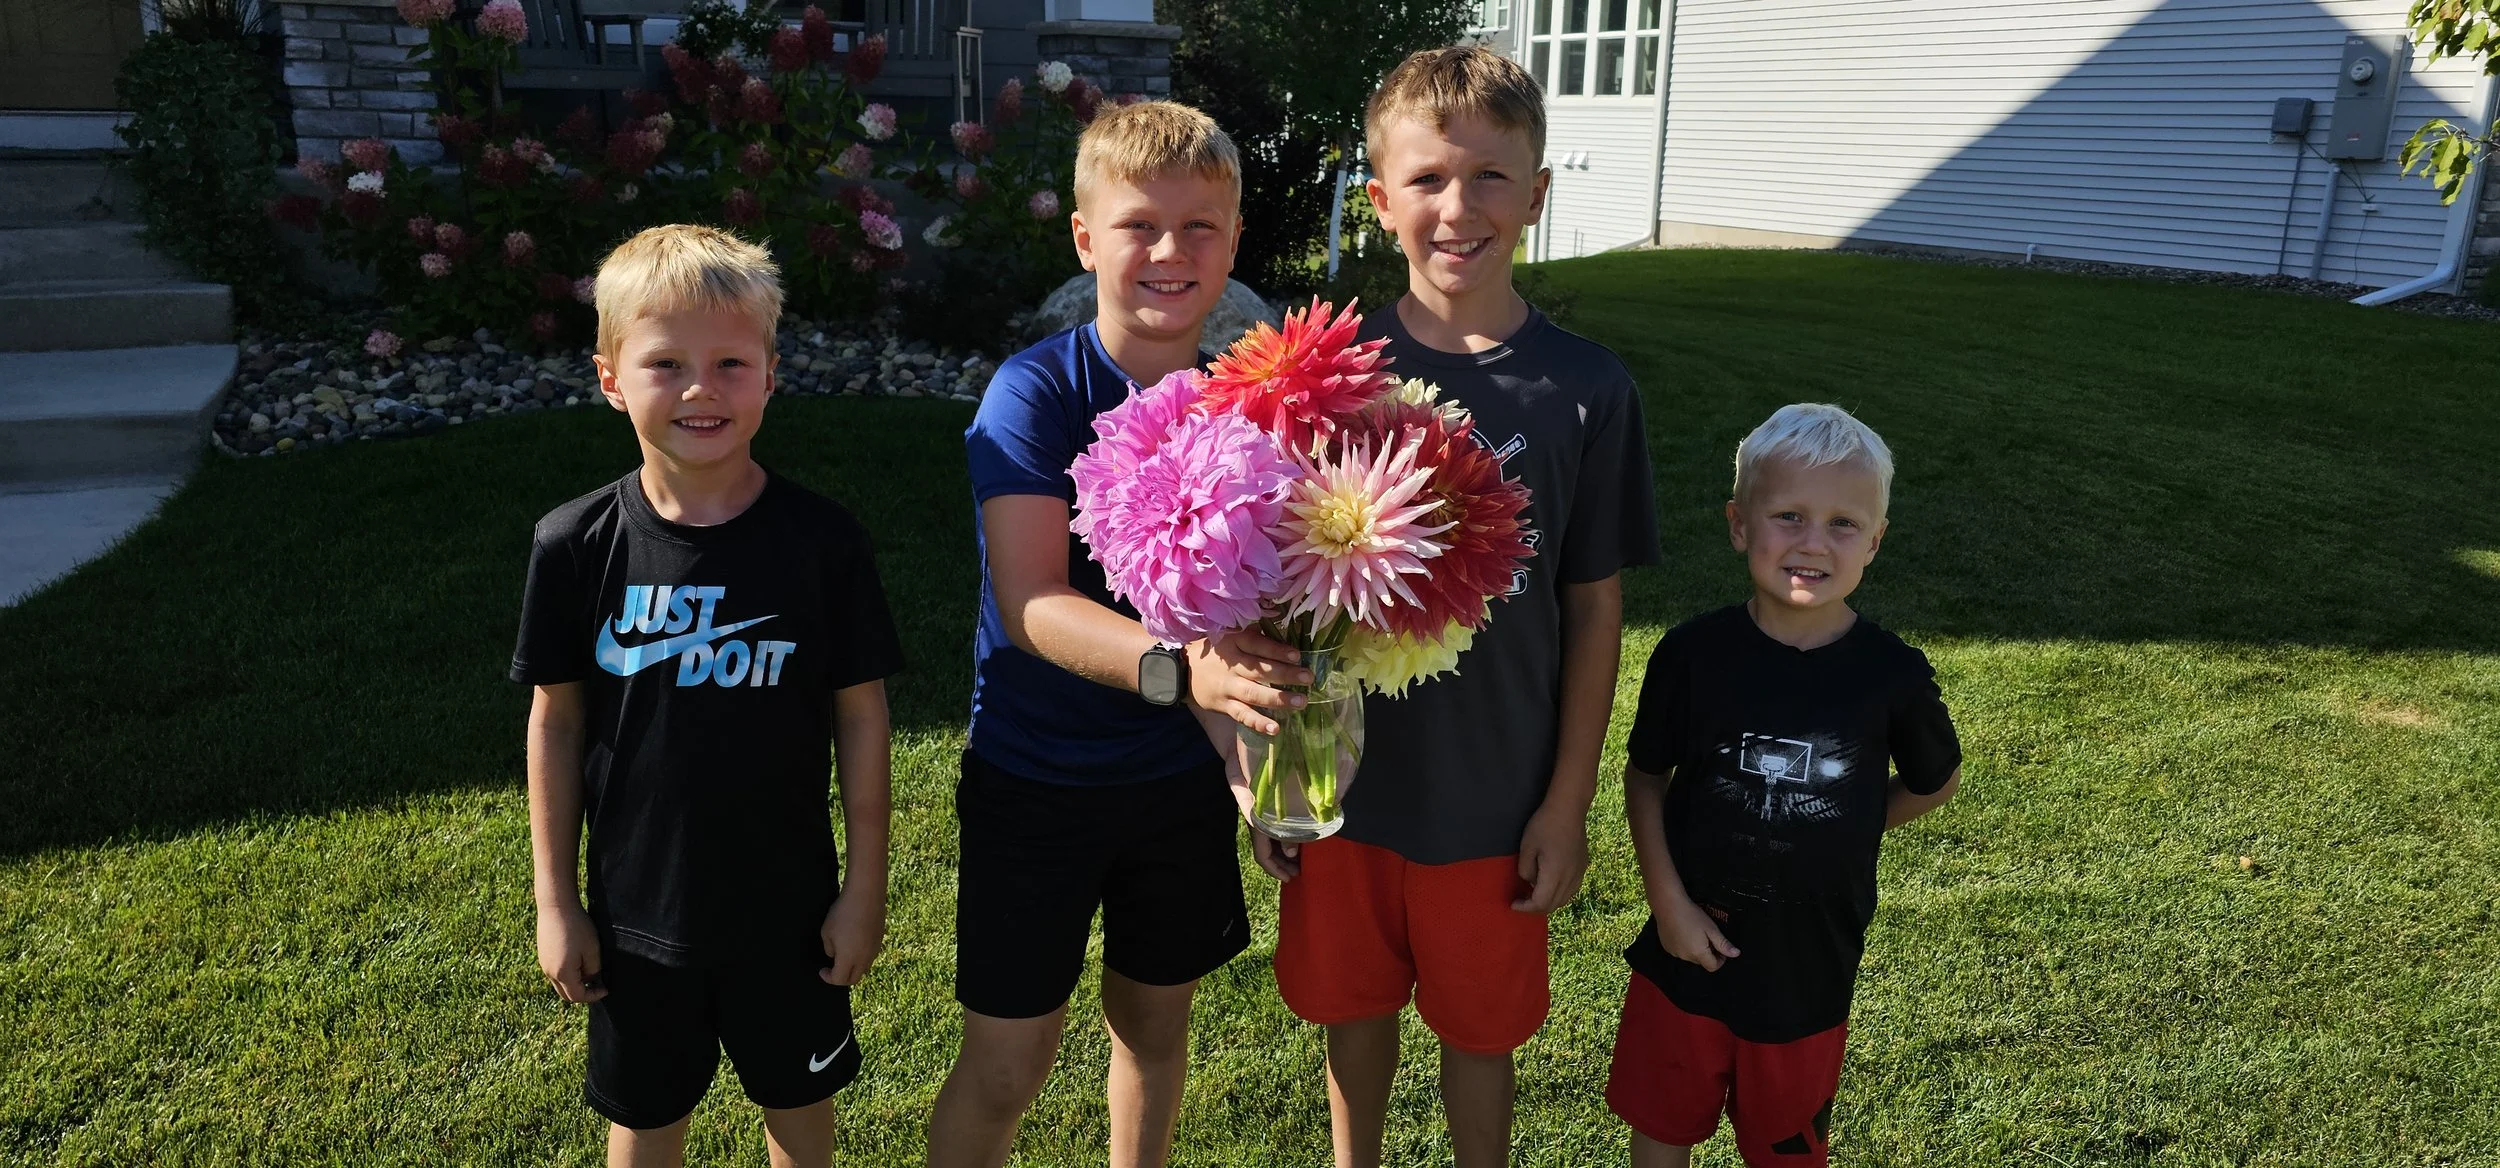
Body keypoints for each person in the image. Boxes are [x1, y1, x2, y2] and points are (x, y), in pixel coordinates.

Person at [1249, 45, 1663, 1168]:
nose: (1458, 207)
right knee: (1353, 1008)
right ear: (1380, 201)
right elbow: (1269, 594)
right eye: (1427, 179)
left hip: (1495, 795)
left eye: (1490, 177)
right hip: (1342, 785)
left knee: (1482, 1030)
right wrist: (1272, 775)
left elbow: (1593, 608)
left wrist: (1566, 799)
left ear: (1536, 194)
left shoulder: (1584, 387)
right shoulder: (1324, 373)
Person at [928, 99, 1301, 1168]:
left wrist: (1251, 772)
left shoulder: (1246, 405)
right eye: (1140, 224)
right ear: (1087, 237)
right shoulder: (1033, 394)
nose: (1170, 252)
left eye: (1200, 227)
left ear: (1233, 244)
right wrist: (1186, 673)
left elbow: (1239, 621)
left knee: (1154, 1027)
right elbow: (1036, 598)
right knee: (1005, 1064)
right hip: (1033, 781)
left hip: (1171, 787)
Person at [511, 224, 902, 1168]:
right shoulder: (574, 545)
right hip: (637, 917)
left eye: (732, 362)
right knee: (645, 1128)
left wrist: (864, 888)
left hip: (791, 911)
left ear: (771, 374)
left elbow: (862, 715)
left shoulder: (822, 543)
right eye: (667, 363)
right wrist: (555, 902)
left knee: (800, 1118)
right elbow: (557, 723)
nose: (701, 388)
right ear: (610, 378)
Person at [1607, 403, 1963, 1167]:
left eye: (1842, 524)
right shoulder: (1691, 655)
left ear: (1876, 541)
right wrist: (1668, 907)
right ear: (1740, 524)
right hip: (1685, 954)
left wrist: (1851, 818)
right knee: (1663, 1126)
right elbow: (1644, 778)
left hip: (1809, 968)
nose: (1812, 543)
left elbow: (1936, 781)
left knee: (1786, 1148)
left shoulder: (1891, 675)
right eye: (1789, 515)